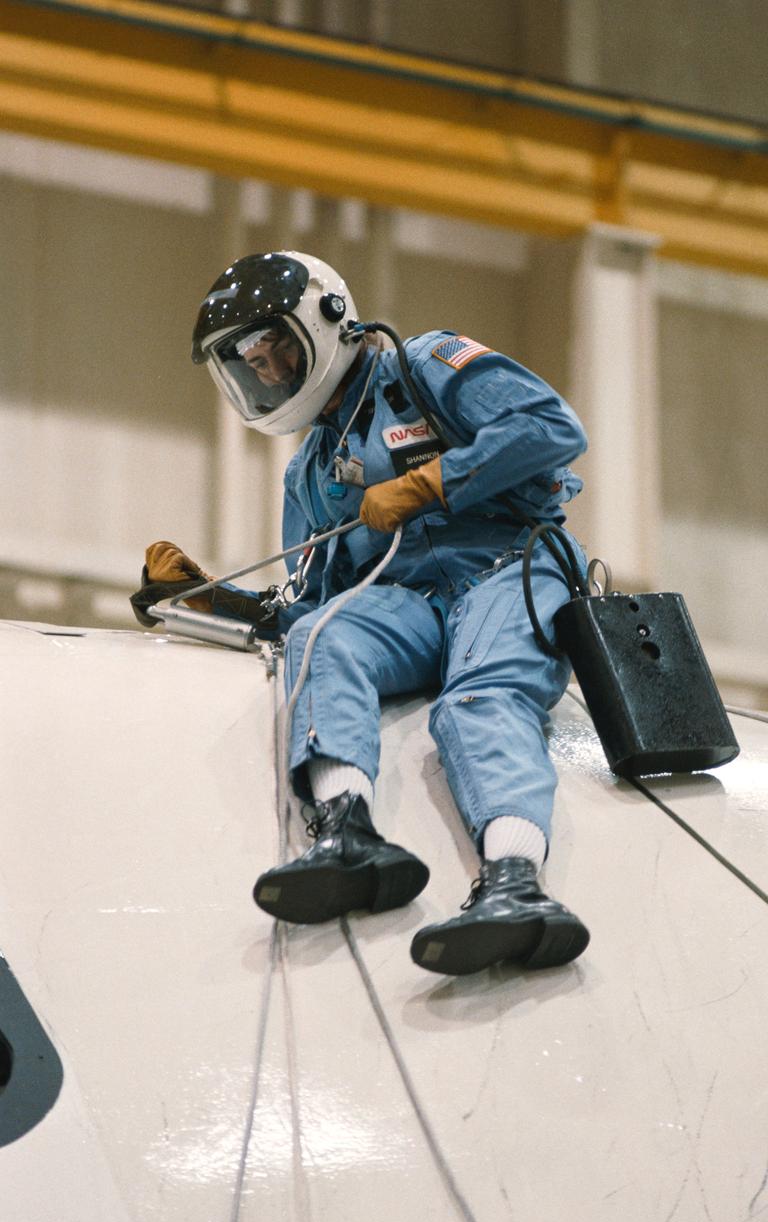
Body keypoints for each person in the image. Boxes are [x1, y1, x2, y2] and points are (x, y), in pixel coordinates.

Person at [134, 249, 591, 977]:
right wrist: (214, 603)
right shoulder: (311, 471)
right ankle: (346, 832)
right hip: (411, 603)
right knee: (323, 635)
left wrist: (432, 483)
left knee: (478, 700)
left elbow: (549, 426)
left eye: (276, 346)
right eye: (251, 361)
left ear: (325, 318)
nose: (270, 371)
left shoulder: (426, 366)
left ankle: (514, 883)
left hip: (509, 565)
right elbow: (311, 603)